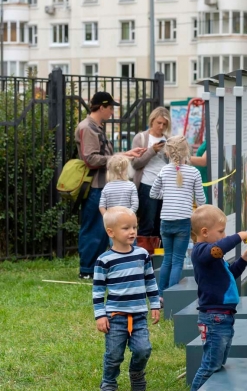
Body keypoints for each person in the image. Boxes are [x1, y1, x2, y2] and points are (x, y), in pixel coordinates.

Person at [188, 205, 247, 391]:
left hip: (224, 317)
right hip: (214, 319)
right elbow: (218, 248)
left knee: (218, 362)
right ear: (204, 232)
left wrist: (244, 259)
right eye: (220, 231)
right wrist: (239, 236)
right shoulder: (201, 252)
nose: (224, 235)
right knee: (210, 364)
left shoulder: (214, 258)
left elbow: (230, 275)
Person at [93, 207, 161, 391]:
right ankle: (109, 383)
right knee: (114, 354)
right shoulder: (104, 260)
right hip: (115, 317)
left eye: (134, 227)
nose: (132, 231)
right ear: (111, 232)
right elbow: (98, 291)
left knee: (143, 349)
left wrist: (155, 304)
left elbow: (150, 281)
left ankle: (137, 373)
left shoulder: (142, 255)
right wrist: (100, 315)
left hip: (139, 315)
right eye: (126, 228)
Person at [76, 91, 144, 279]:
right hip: (95, 186)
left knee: (105, 228)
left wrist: (127, 154)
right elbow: (90, 159)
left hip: (103, 185)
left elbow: (104, 156)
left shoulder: (96, 126)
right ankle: (87, 270)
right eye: (111, 107)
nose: (112, 112)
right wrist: (118, 157)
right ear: (102, 107)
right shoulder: (87, 127)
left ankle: (98, 268)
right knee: (94, 229)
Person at [150, 136, 206, 294]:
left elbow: (153, 193)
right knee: (178, 260)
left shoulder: (163, 170)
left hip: (166, 221)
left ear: (168, 152)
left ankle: (160, 294)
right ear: (187, 150)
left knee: (167, 258)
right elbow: (201, 200)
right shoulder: (194, 172)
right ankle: (171, 295)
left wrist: (168, 195)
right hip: (183, 221)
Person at [131, 107, 172, 237]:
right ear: (152, 121)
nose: (161, 127)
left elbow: (173, 165)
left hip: (165, 187)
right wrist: (152, 151)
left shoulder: (168, 139)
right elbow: (136, 163)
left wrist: (169, 155)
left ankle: (159, 256)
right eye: (159, 123)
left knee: (162, 226)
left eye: (164, 124)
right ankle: (145, 255)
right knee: (147, 225)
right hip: (147, 184)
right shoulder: (142, 138)